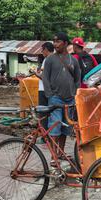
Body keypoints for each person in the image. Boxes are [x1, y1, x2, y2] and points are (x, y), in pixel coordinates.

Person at [43, 32, 81, 166]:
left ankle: (60, 153)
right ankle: (54, 157)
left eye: (58, 41)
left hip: (70, 100)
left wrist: (75, 94)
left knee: (65, 129)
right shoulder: (50, 59)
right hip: (56, 99)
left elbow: (77, 80)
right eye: (54, 41)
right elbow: (45, 78)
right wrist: (50, 95)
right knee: (55, 128)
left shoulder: (73, 60)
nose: (55, 44)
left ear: (65, 43)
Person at [35, 42, 54, 136]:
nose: (42, 52)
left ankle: (44, 137)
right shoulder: (53, 59)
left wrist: (36, 74)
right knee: (49, 113)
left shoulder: (48, 60)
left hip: (44, 90)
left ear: (46, 49)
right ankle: (48, 135)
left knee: (43, 114)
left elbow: (45, 77)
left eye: (42, 50)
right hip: (50, 90)